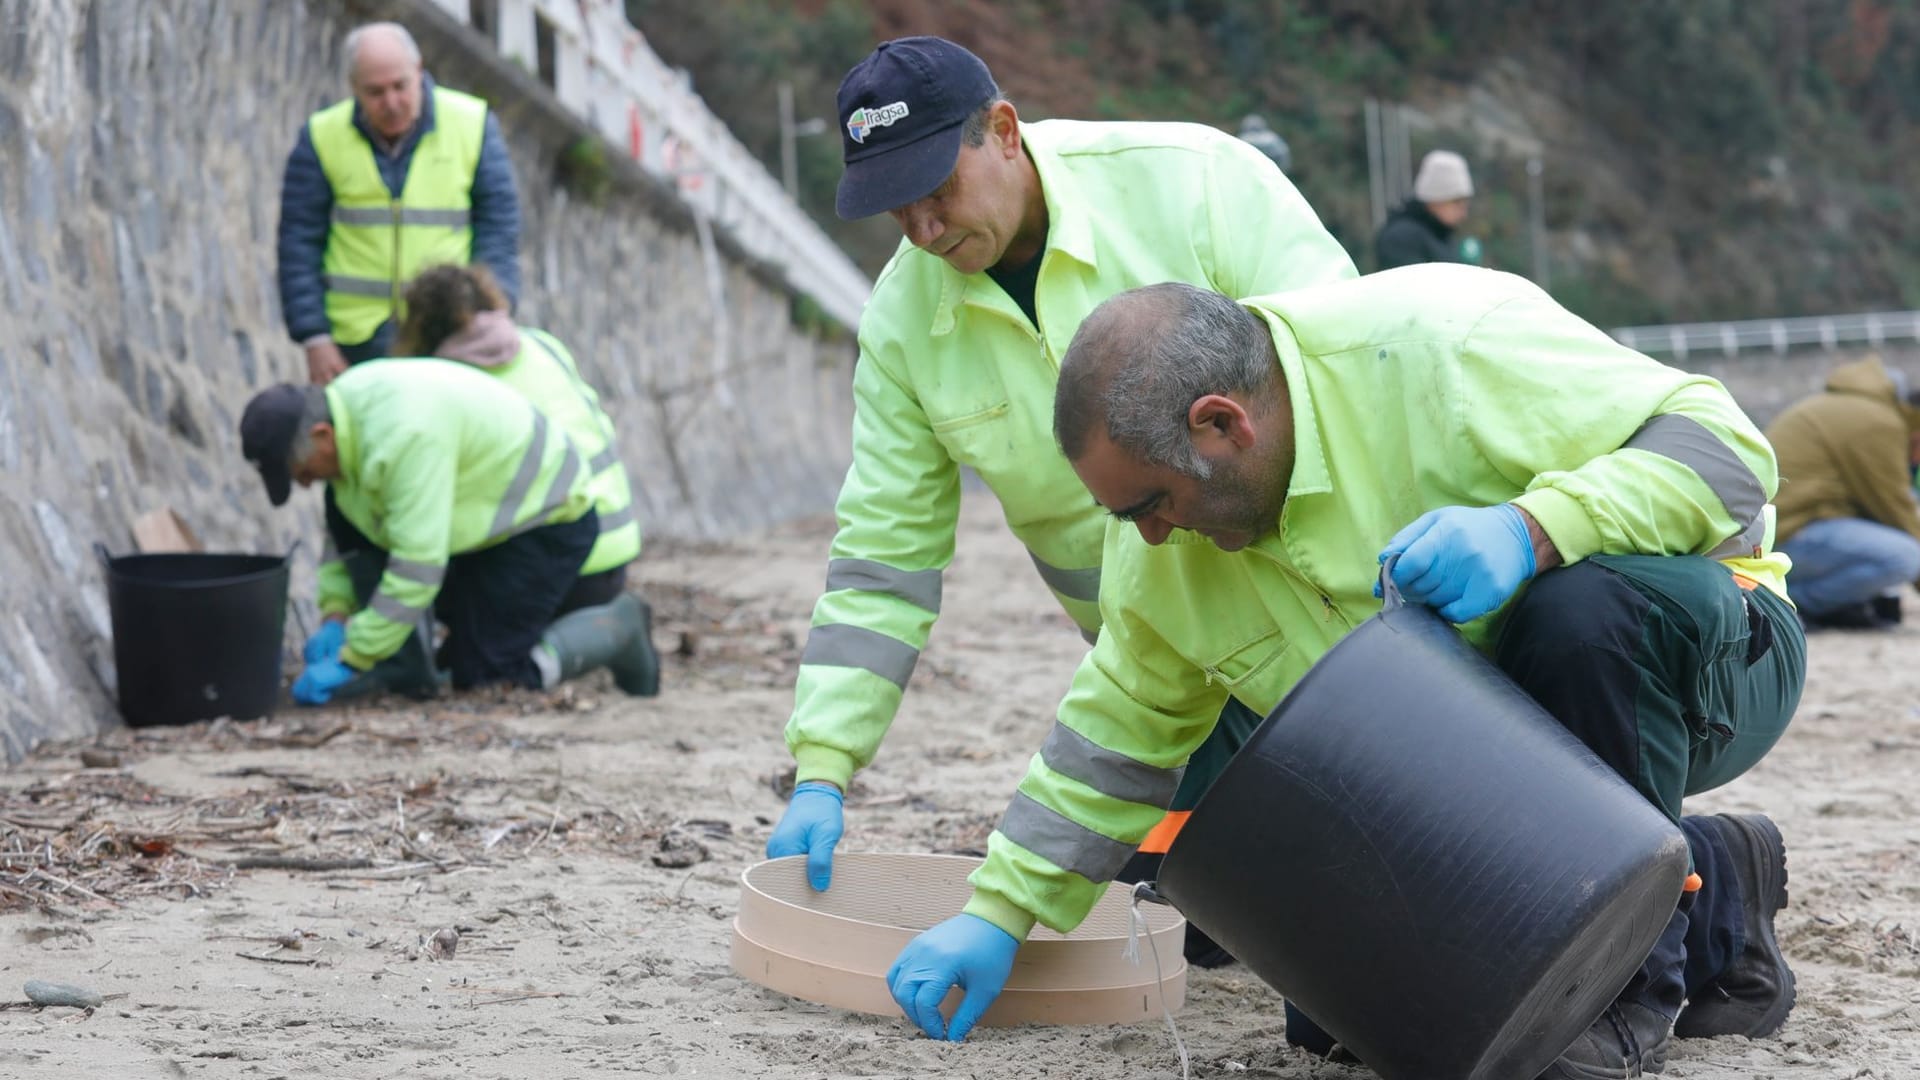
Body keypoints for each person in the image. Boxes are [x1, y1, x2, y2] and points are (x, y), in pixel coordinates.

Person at [886, 270, 1805, 1080]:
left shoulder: (1442, 347)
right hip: (1482, 754)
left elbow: (1729, 456)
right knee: (1337, 1024)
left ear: (1222, 424)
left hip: (1700, 657)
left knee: (1583, 611)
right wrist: (998, 916)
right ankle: (1717, 876)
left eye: (1155, 502)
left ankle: (1620, 988)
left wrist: (1535, 528)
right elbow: (1112, 740)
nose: (1152, 535)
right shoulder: (1160, 562)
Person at [767, 35, 1357, 964]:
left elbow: (1348, 380)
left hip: (1323, 614)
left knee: (1382, 877)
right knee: (1197, 930)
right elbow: (886, 556)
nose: (922, 230)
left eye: (936, 189)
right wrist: (823, 769)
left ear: (1002, 131)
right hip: (1158, 667)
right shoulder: (902, 325)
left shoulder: (1194, 185)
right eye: (894, 210)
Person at [238, 361, 657, 705]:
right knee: (457, 660)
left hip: (545, 520)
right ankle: (427, 657)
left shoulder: (404, 435)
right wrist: (336, 616)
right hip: (483, 525)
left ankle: (619, 627)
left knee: (491, 677)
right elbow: (346, 539)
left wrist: (353, 654)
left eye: (304, 472)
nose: (307, 484)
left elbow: (417, 568)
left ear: (322, 435)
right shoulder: (344, 418)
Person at [277, 21, 522, 385]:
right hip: (354, 343)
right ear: (353, 87)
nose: (391, 103)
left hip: (450, 332)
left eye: (400, 86)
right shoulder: (321, 138)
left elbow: (498, 229)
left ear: (419, 70)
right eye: (375, 92)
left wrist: (493, 311)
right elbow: (299, 242)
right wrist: (315, 336)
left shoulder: (472, 126)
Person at [1765, 355, 1920, 629]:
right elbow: (1896, 510)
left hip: (1777, 527)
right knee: (1906, 556)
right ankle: (1791, 604)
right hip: (1788, 532)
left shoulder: (1854, 406)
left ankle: (1837, 603)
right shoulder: (1879, 422)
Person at [1375, 149, 1474, 270]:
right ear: (1436, 198)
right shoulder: (1401, 239)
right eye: (1457, 203)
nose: (1463, 213)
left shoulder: (1441, 235)